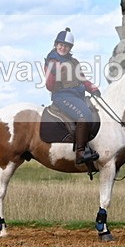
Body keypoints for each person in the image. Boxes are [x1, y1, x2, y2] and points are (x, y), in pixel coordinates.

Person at [44, 27, 101, 165]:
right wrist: (52, 73)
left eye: (66, 46)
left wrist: (92, 88)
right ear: (56, 44)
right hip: (62, 96)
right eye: (61, 45)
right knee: (84, 115)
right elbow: (49, 87)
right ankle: (80, 153)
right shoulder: (51, 62)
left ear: (70, 48)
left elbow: (82, 79)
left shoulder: (74, 61)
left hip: (78, 95)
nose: (63, 48)